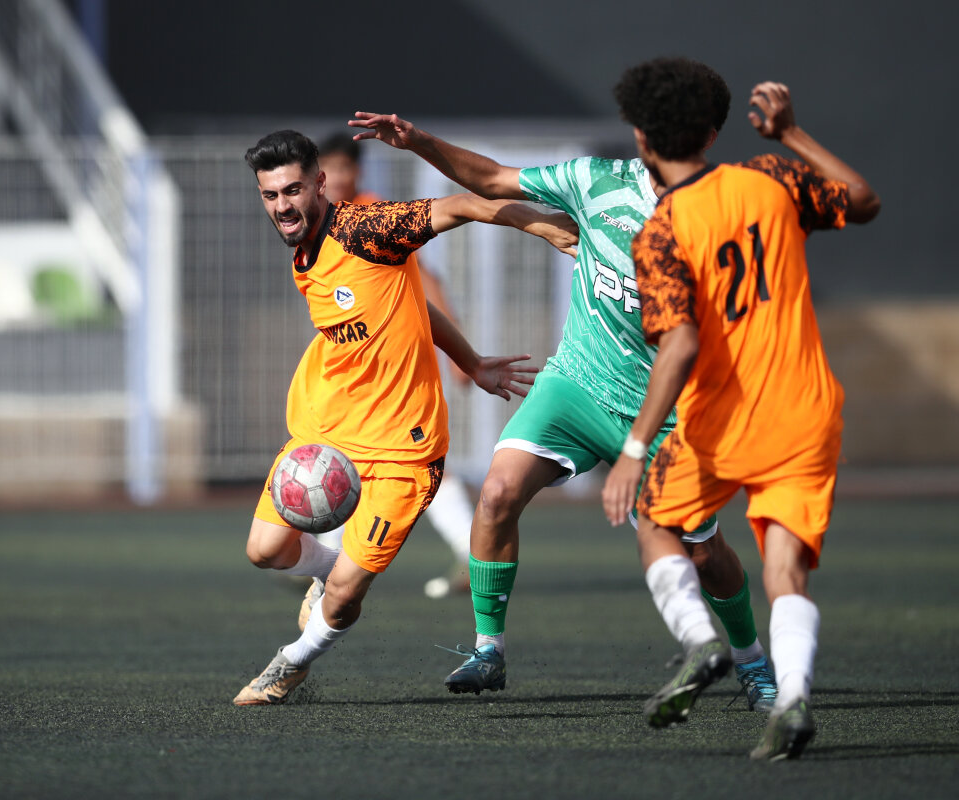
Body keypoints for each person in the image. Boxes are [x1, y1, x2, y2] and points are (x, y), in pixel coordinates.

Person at [348, 72, 778, 709]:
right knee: (497, 494)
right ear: (640, 132)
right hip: (576, 382)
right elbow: (494, 179)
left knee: (704, 554)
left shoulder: (726, 216)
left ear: (709, 137)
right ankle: (488, 650)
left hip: (665, 411)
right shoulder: (595, 181)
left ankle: (751, 660)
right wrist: (419, 142)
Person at [234, 129, 579, 706]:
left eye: (292, 190)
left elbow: (462, 205)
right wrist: (471, 360)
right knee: (264, 550)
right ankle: (329, 569)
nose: (282, 206)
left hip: (403, 448)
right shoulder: (303, 252)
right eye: (270, 195)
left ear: (319, 183)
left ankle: (290, 664)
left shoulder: (364, 229)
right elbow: (411, 305)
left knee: (345, 595)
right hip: (326, 430)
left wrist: (539, 224)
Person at [601, 60, 879, 760]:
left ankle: (701, 641)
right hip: (804, 412)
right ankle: (792, 700)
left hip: (718, 425)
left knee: (656, 523)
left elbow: (680, 343)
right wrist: (791, 134)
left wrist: (632, 451)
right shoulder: (770, 178)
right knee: (784, 572)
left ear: (642, 138)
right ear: (710, 131)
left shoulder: (661, 230)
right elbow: (863, 200)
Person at [318, 131, 477, 600]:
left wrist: (460, 353)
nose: (335, 178)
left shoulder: (370, 215)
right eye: (327, 169)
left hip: (395, 366)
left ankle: (473, 551)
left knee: (409, 457)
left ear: (356, 171)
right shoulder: (322, 221)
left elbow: (426, 278)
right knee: (349, 451)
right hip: (360, 368)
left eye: (343, 168)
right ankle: (325, 557)